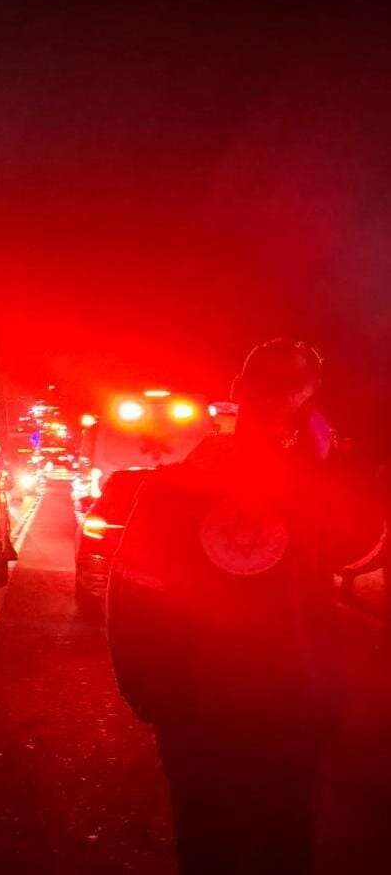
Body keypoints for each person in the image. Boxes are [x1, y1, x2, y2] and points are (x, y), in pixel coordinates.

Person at [106, 339, 386, 875]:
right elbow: (135, 585)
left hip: (233, 707)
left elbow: (131, 591)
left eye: (288, 387)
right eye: (278, 387)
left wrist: (146, 691)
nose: (280, 399)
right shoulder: (303, 488)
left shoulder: (185, 485)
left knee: (218, 840)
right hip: (256, 706)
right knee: (275, 839)